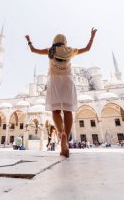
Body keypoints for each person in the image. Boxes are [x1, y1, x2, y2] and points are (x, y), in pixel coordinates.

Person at [26, 28, 97, 157]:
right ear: (64, 41)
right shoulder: (69, 51)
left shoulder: (50, 51)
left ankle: (61, 134)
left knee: (55, 111)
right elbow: (87, 49)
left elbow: (33, 50)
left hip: (54, 81)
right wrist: (92, 36)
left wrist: (29, 40)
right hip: (67, 81)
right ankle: (67, 137)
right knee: (68, 110)